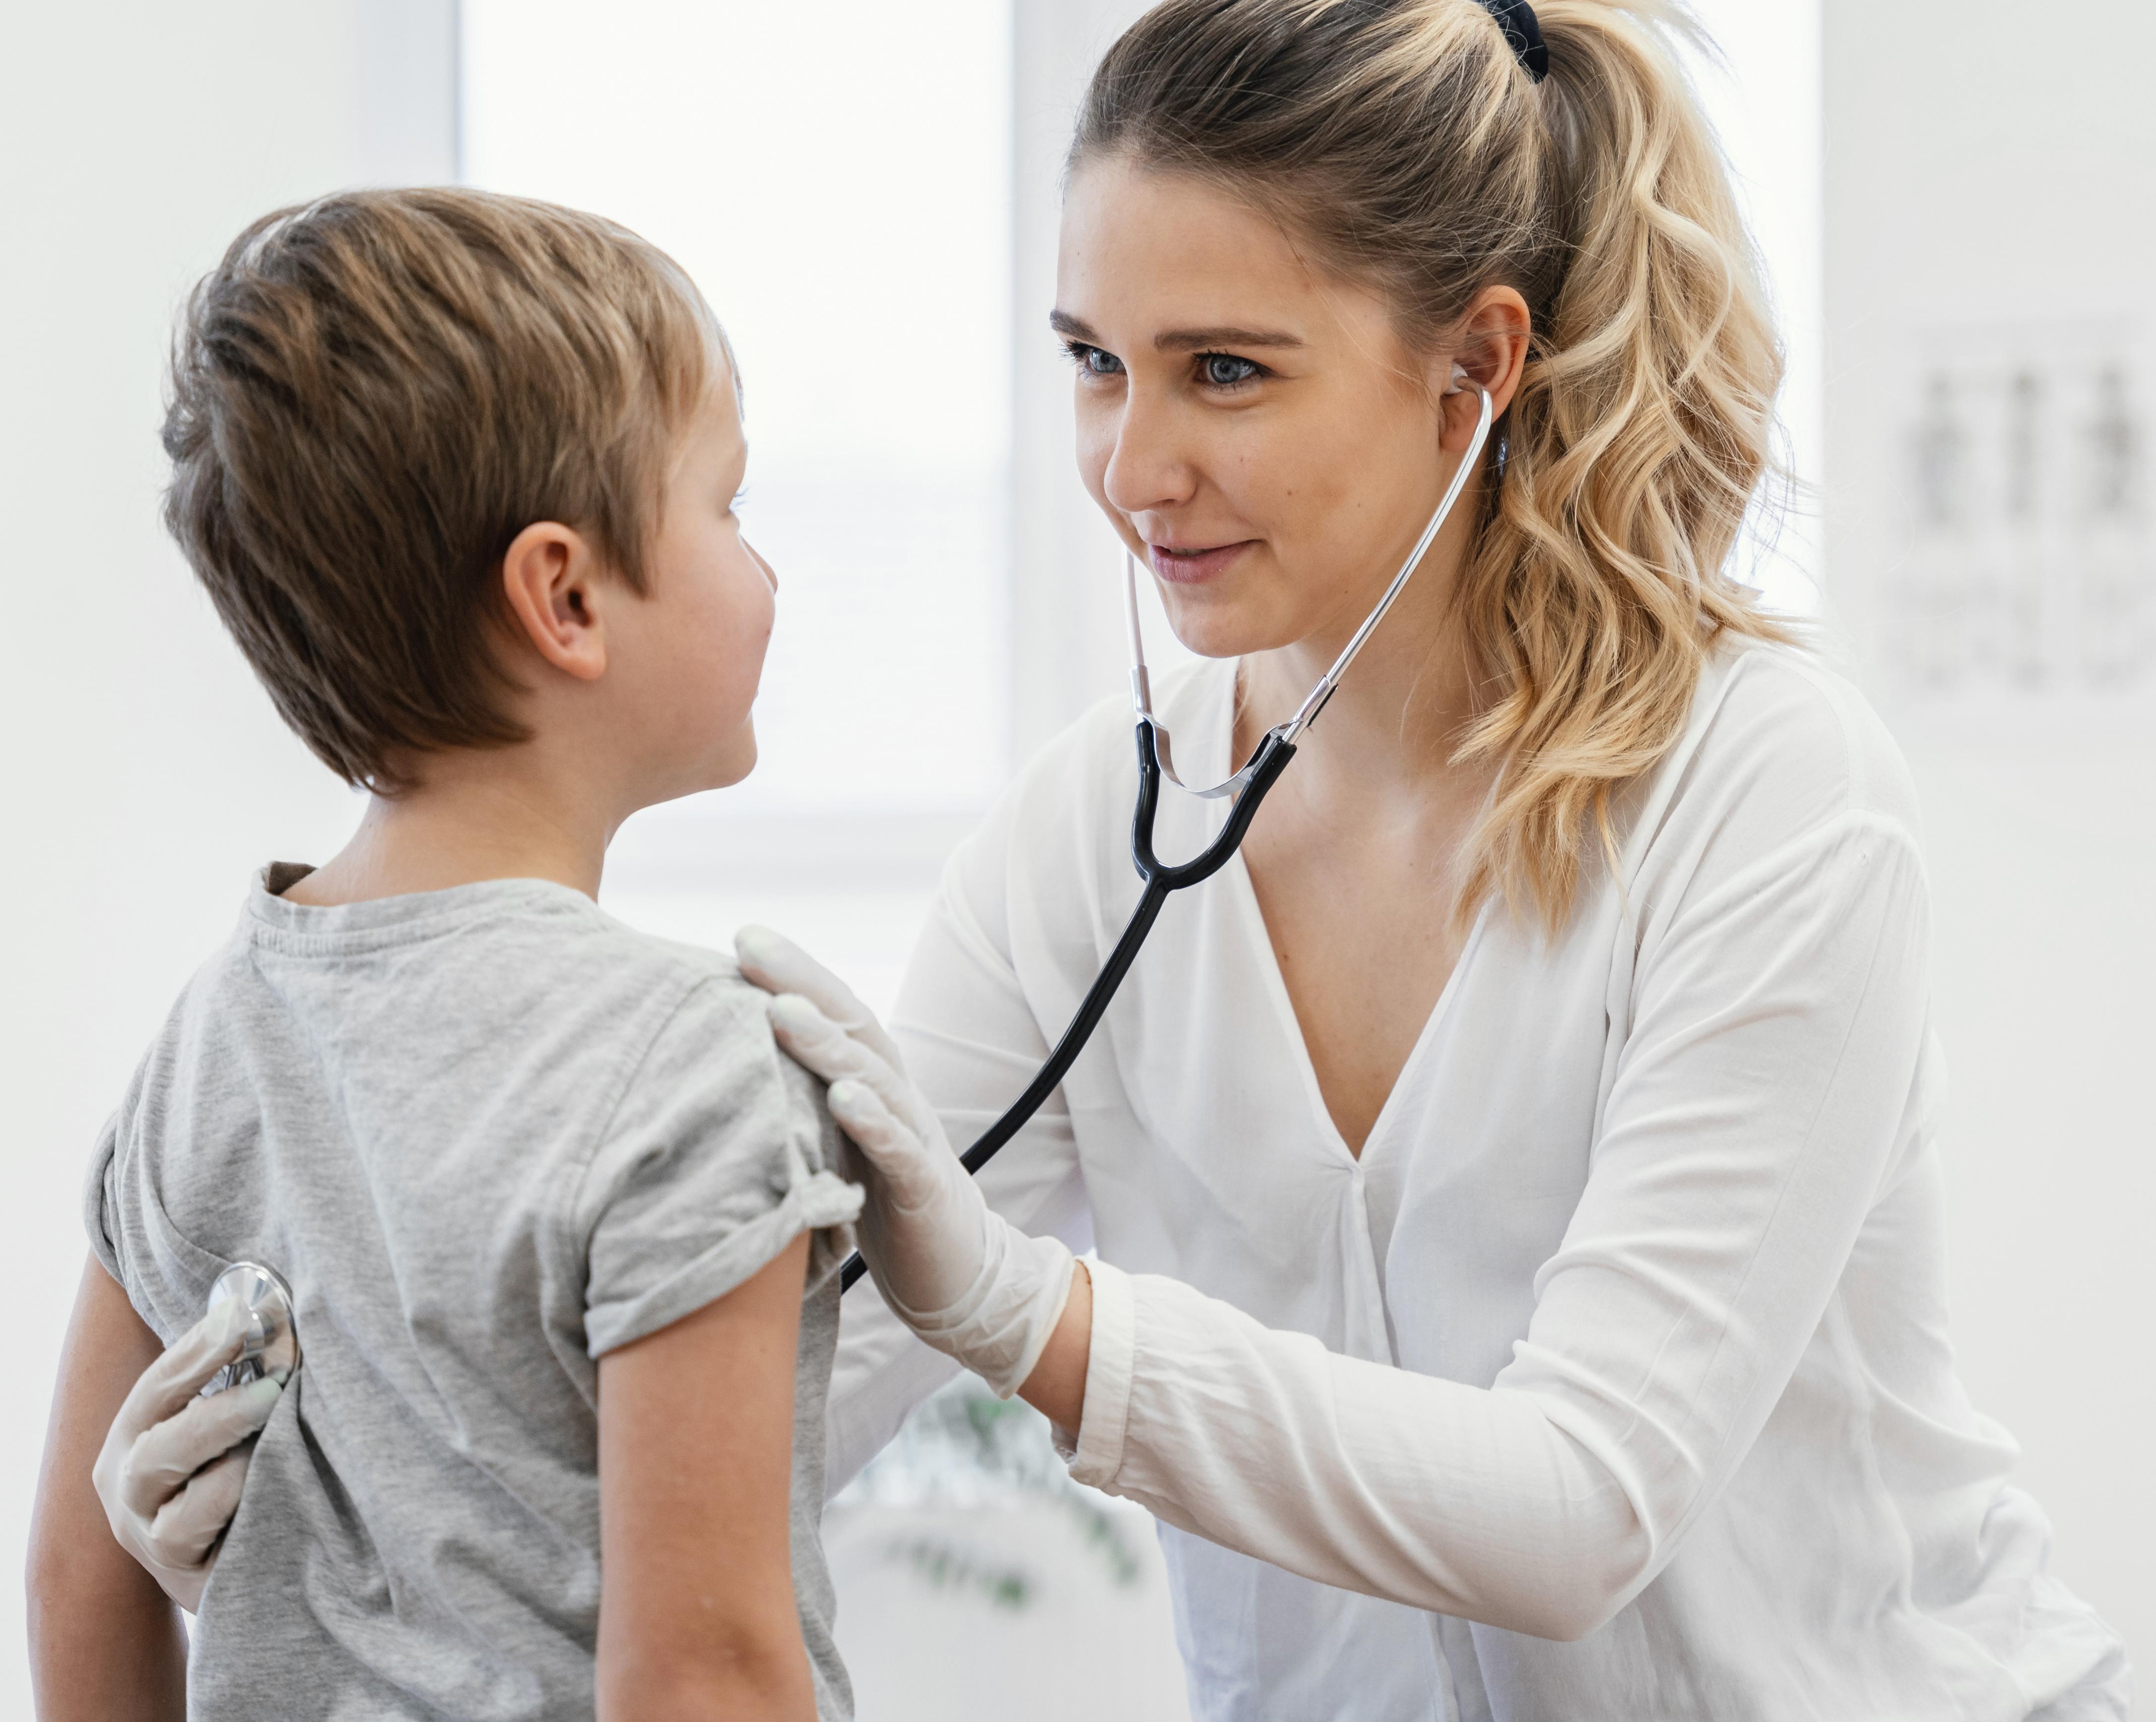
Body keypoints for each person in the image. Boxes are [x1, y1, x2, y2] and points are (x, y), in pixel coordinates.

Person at [96, 2, 2136, 1719]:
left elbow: (1577, 1510)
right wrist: (296, 1490)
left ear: (1476, 366)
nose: (1130, 469)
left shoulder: (1765, 796)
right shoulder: (1105, 824)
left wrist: (1033, 1313)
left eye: (1225, 370)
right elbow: (777, 1415)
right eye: (1095, 360)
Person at [28, 188, 863, 1722]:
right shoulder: (684, 1063)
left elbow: (83, 1583)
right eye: (728, 508)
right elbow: (707, 1677)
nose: (766, 567)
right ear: (566, 596)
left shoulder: (213, 1032)